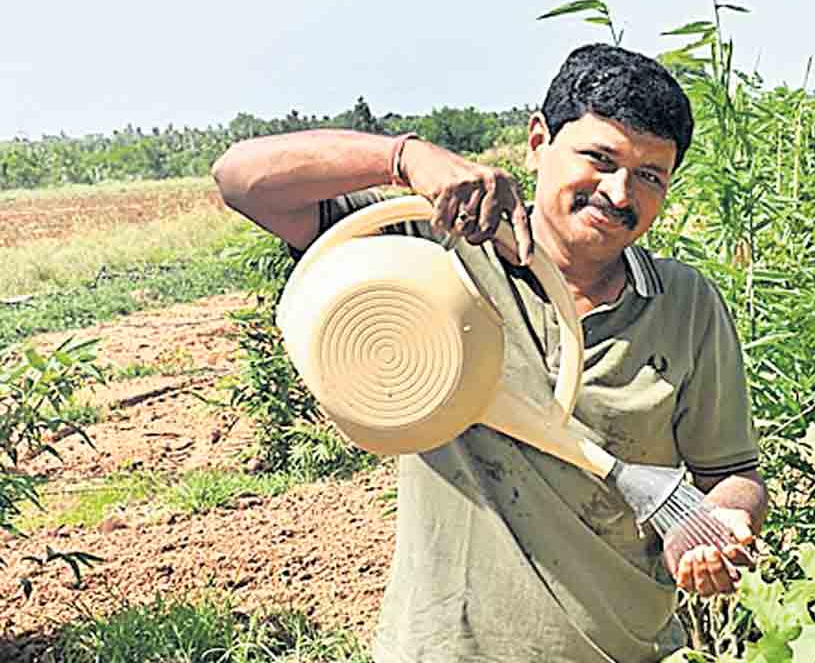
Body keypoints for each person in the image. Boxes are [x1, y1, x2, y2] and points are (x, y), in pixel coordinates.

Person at [213, 43, 768, 662]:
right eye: (600, 159)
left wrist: (717, 525)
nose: (619, 193)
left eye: (649, 176)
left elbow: (731, 473)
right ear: (538, 142)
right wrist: (406, 158)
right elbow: (242, 180)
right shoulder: (433, 246)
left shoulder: (684, 304)